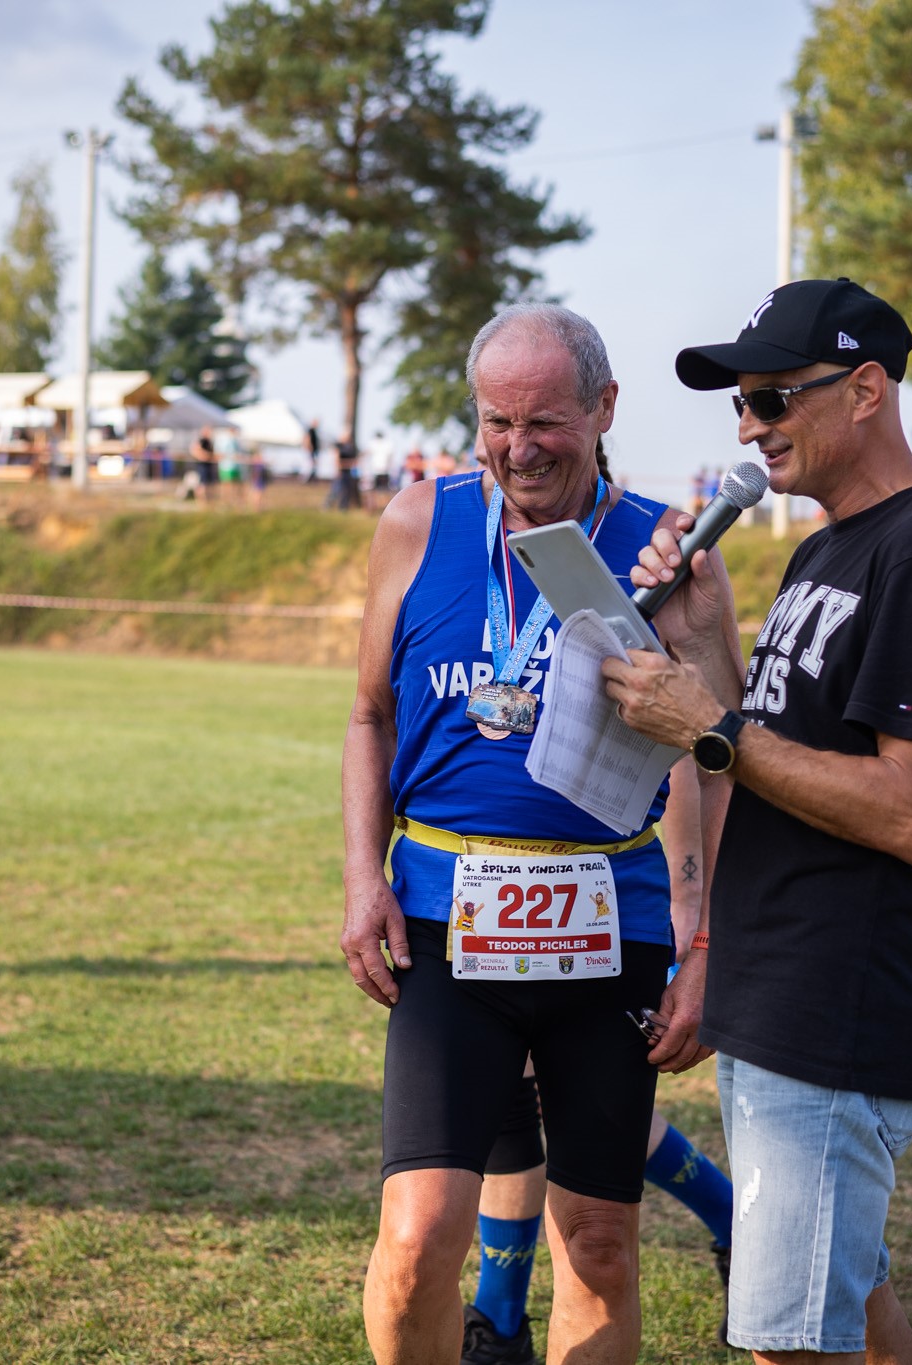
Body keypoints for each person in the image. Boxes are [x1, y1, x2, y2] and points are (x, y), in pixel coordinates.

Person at [601, 277, 912, 1364]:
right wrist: (703, 643)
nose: (748, 427)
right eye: (739, 403)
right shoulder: (828, 545)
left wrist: (707, 723)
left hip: (836, 1007)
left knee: (789, 1341)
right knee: (852, 1305)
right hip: (781, 985)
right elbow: (772, 740)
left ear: (867, 391)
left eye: (774, 399)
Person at [341, 303, 709, 1365]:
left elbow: (710, 755)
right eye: (496, 421)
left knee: (598, 1245)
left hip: (612, 932)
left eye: (544, 420)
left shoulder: (670, 552)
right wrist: (362, 878)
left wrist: (701, 939)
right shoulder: (419, 520)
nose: (517, 447)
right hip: (444, 929)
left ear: (604, 408)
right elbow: (368, 714)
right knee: (417, 1240)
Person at [462, 754, 734, 1364]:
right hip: (485, 884)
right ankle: (500, 1323)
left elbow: (688, 742)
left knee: (579, 1098)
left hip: (605, 890)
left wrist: (690, 895)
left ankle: (500, 1322)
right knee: (514, 1088)